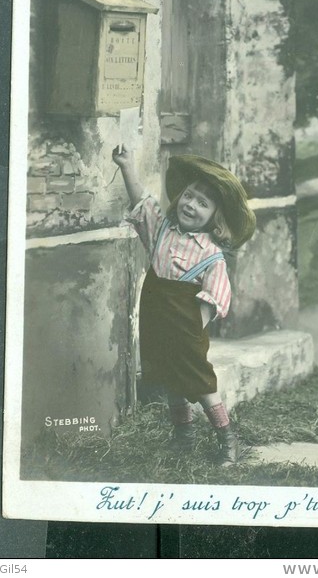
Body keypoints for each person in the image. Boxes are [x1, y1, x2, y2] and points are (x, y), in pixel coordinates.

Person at [112, 145, 256, 466]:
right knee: (167, 376)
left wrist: (193, 329)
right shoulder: (162, 228)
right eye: (189, 195)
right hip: (156, 314)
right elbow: (140, 202)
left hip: (187, 323)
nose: (191, 204)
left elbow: (218, 293)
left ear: (214, 217)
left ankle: (227, 438)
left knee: (198, 380)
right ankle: (184, 436)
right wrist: (126, 165)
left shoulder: (211, 254)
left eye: (202, 203)